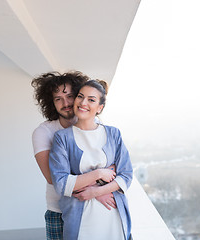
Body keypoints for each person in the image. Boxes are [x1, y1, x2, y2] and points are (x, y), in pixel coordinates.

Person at [31, 72, 117, 240]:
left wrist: (96, 191)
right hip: (60, 211)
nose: (65, 103)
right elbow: (53, 178)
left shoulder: (98, 126)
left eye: (70, 96)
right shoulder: (43, 132)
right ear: (51, 103)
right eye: (58, 99)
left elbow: (114, 167)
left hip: (94, 208)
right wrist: (98, 187)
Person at [49, 79, 133, 240]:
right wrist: (99, 173)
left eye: (91, 100)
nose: (83, 103)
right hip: (80, 219)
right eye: (80, 97)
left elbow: (126, 174)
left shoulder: (113, 134)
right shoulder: (62, 138)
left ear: (99, 108)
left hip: (112, 215)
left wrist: (96, 191)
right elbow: (61, 183)